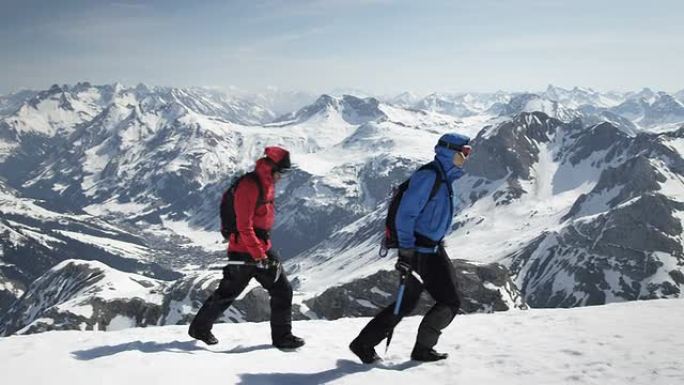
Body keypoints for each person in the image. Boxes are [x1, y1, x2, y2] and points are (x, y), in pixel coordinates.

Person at [349, 133, 471, 363]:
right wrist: (407, 249)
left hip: (430, 248)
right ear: (451, 151)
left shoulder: (443, 176)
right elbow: (406, 215)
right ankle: (421, 349)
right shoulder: (430, 176)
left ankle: (364, 344)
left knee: (408, 302)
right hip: (421, 250)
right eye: (464, 151)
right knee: (450, 301)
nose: (467, 156)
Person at [188, 146, 305, 350]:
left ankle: (283, 337)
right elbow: (244, 226)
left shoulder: (266, 183)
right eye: (282, 172)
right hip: (244, 250)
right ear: (272, 168)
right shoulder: (249, 186)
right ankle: (199, 328)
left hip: (260, 247)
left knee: (282, 290)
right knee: (228, 292)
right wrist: (259, 256)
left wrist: (262, 251)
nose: (282, 177)